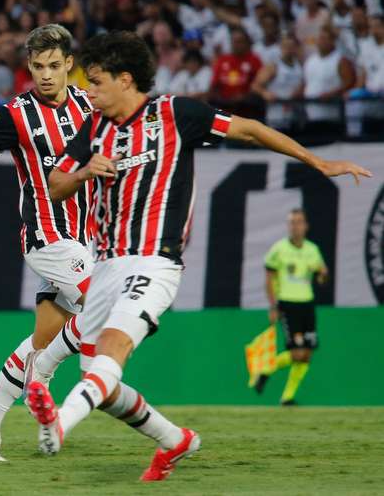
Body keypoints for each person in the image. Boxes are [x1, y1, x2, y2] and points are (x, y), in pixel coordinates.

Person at [27, 30, 370, 481]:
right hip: (106, 264)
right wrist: (86, 170)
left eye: (95, 81)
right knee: (103, 385)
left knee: (112, 351)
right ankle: (176, 441)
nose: (87, 92)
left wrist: (318, 163)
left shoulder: (175, 113)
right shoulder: (95, 129)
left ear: (125, 79)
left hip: (154, 262)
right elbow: (53, 185)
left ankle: (59, 424)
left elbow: (249, 130)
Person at [0, 24, 95, 462]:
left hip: (85, 239)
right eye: (38, 66)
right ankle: (41, 383)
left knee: (43, 339)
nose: (45, 75)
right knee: (102, 306)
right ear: (29, 66)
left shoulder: (89, 104)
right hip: (47, 237)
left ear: (69, 66)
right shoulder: (15, 114)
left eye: (54, 66)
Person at [253, 209, 328, 405]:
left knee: (307, 353)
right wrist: (273, 306)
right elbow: (269, 279)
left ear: (306, 226)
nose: (296, 226)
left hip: (307, 303)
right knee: (297, 352)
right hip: (287, 303)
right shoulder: (279, 249)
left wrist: (322, 273)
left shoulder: (312, 250)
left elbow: (322, 276)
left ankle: (288, 397)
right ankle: (266, 370)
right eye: (292, 222)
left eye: (299, 222)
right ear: (289, 226)